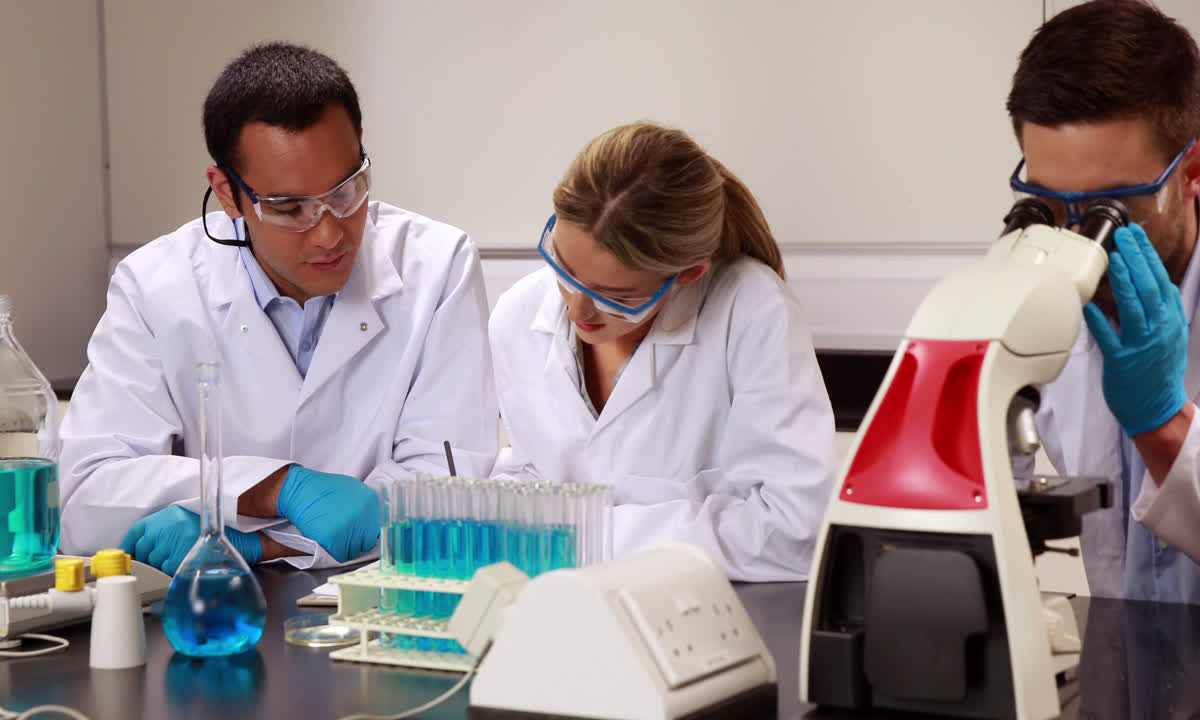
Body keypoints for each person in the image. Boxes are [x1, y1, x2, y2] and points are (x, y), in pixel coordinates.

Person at [59, 42, 498, 573]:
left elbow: (446, 492)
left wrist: (243, 537)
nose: (331, 232)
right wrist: (272, 487)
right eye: (290, 208)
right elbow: (84, 497)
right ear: (227, 193)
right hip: (216, 615)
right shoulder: (155, 287)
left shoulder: (437, 265)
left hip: (378, 598)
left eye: (348, 190)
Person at [1006, 0, 1200, 609]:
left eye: (1111, 210)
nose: (1077, 242)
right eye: (1048, 205)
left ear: (1193, 171)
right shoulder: (1032, 264)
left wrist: (1164, 424)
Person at [488, 122, 836, 581]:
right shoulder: (519, 313)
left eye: (617, 296)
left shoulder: (750, 309)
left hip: (703, 617)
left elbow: (795, 530)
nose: (576, 307)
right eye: (563, 268)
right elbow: (531, 472)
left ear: (688, 275)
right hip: (555, 604)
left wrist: (586, 536)